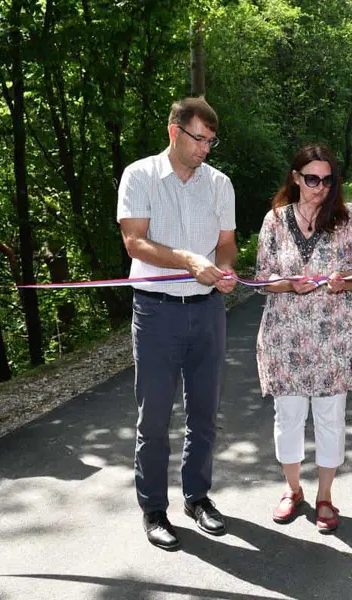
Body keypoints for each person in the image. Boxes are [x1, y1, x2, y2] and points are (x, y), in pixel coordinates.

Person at [117, 97, 237, 551]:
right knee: (154, 417)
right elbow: (134, 241)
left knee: (204, 412)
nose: (206, 148)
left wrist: (224, 269)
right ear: (174, 131)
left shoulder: (219, 184)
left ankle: (197, 497)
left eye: (211, 140)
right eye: (199, 139)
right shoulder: (140, 175)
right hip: (156, 310)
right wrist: (186, 260)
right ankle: (153, 509)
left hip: (207, 309)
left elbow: (227, 244)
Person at [255, 144, 352, 534]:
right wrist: (287, 283)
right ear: (296, 177)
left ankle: (325, 497)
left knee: (330, 420)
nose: (320, 187)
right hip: (284, 339)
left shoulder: (345, 221)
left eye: (327, 179)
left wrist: (343, 282)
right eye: (312, 178)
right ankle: (292, 489)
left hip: (333, 338)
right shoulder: (274, 221)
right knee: (287, 419)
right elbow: (261, 278)